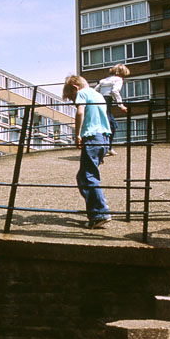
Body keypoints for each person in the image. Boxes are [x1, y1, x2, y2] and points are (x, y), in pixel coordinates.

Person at [63, 75, 113, 229]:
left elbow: (80, 112)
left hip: (91, 137)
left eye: (72, 98)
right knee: (83, 176)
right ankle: (95, 206)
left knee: (88, 176)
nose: (73, 101)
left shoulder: (82, 93)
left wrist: (77, 135)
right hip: (104, 139)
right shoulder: (98, 95)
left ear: (75, 88)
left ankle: (100, 213)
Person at [96, 64, 129, 157]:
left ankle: (107, 147)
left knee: (108, 124)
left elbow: (96, 89)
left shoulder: (104, 80)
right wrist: (121, 105)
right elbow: (115, 91)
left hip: (100, 101)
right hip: (107, 101)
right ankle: (107, 148)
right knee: (111, 125)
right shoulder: (118, 80)